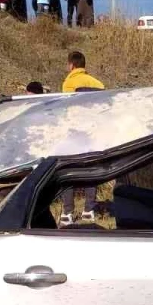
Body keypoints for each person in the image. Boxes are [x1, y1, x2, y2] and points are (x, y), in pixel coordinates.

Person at [58, 51, 105, 223]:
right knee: (91, 171)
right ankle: (89, 210)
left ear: (71, 65)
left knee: (68, 172)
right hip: (93, 132)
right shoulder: (98, 83)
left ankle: (68, 212)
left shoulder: (69, 83)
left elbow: (67, 108)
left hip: (74, 132)